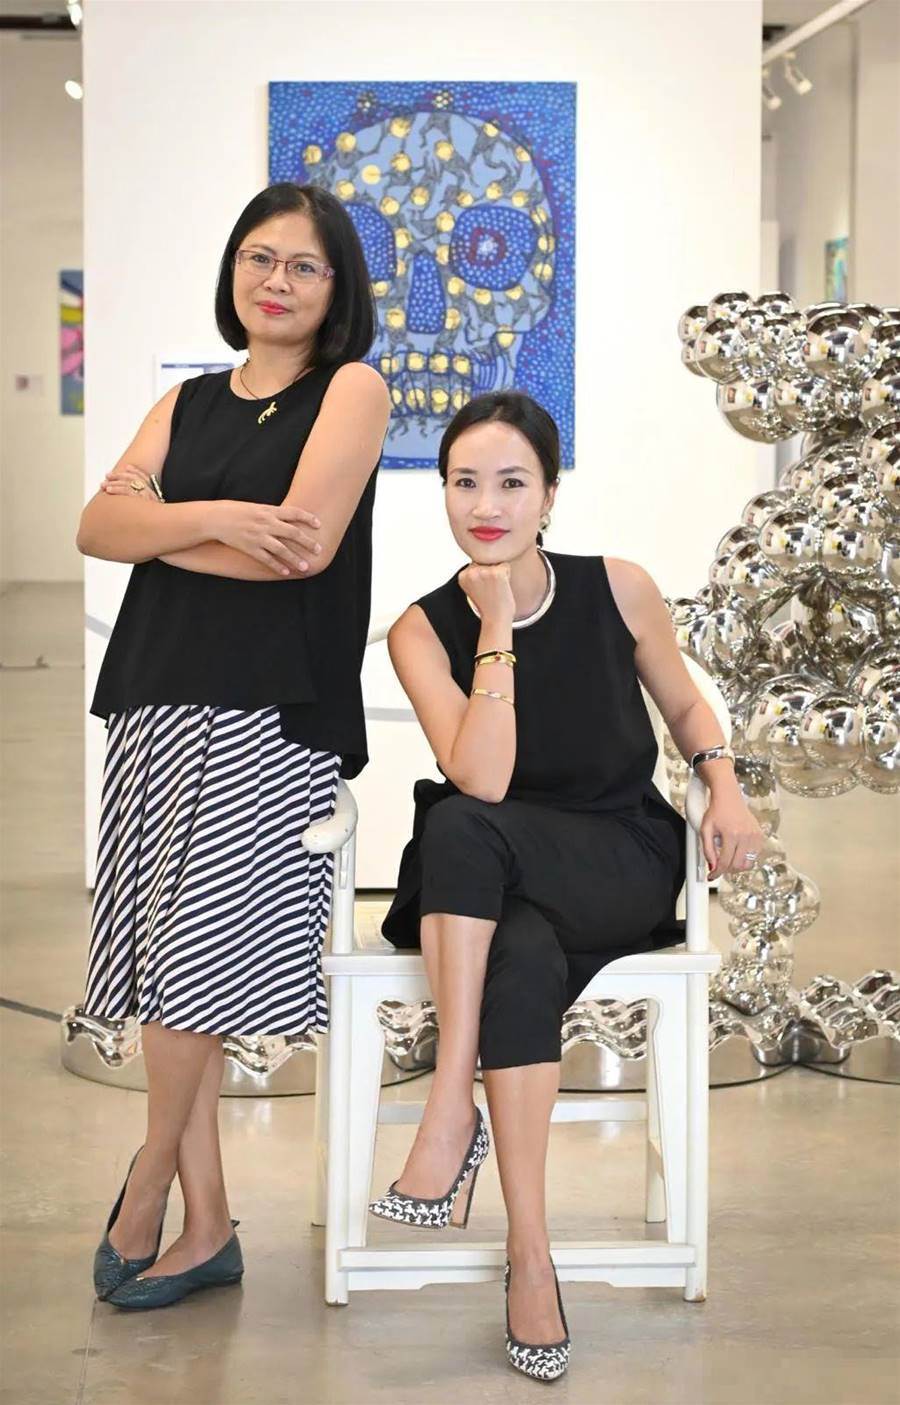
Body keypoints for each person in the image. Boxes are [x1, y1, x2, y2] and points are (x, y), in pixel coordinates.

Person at [371, 391, 764, 1380]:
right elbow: (486, 773)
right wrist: (493, 624)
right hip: (496, 889)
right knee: (515, 940)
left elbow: (685, 706)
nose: (487, 505)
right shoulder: (419, 630)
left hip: (616, 855)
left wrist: (724, 784)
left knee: (460, 826)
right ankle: (531, 1257)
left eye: (513, 482)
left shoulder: (618, 587)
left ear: (550, 493)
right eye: (465, 482)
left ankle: (450, 1104)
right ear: (441, 490)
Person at [77, 181, 390, 1311]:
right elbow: (95, 526)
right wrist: (213, 519)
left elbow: (299, 551)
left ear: (336, 287)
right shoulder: (189, 401)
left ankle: (150, 1181)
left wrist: (157, 526)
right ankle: (208, 1225)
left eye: (304, 265)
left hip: (270, 708)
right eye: (259, 257)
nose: (276, 280)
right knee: (171, 965)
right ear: (233, 270)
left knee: (197, 956)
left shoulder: (352, 389)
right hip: (158, 699)